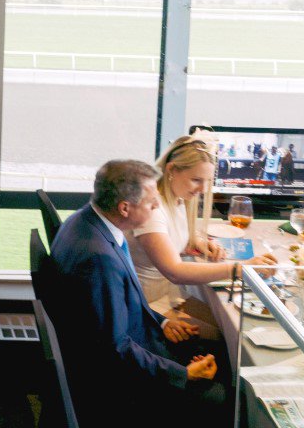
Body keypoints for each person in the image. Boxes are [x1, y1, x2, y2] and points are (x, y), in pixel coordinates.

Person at [49, 159, 229, 425]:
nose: (157, 208)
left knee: (216, 352)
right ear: (125, 208)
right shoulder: (99, 259)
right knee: (223, 394)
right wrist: (183, 374)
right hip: (117, 381)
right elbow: (114, 350)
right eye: (152, 204)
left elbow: (118, 307)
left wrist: (163, 321)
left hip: (135, 339)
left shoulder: (85, 220)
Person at [128, 135, 275, 338]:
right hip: (145, 304)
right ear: (171, 170)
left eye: (207, 181)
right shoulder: (152, 209)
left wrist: (196, 240)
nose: (203, 189)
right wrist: (240, 269)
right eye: (196, 180)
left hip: (165, 294)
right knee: (228, 334)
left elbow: (170, 234)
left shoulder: (176, 198)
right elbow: (175, 272)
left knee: (231, 326)